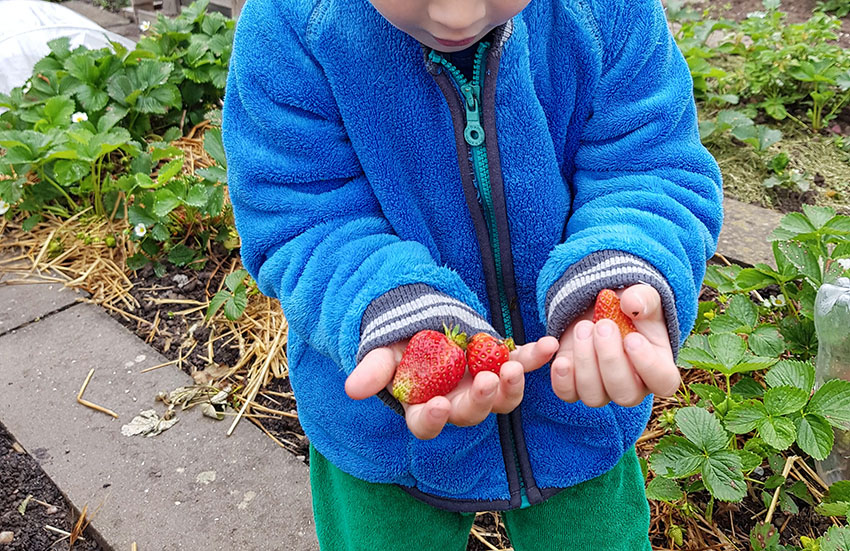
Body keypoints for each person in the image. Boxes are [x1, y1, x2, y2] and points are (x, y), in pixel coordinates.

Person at [221, 0, 724, 548]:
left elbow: (649, 165)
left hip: (578, 407)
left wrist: (619, 272)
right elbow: (301, 213)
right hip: (384, 433)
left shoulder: (608, 11)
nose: (457, 16)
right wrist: (394, 308)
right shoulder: (290, 25)